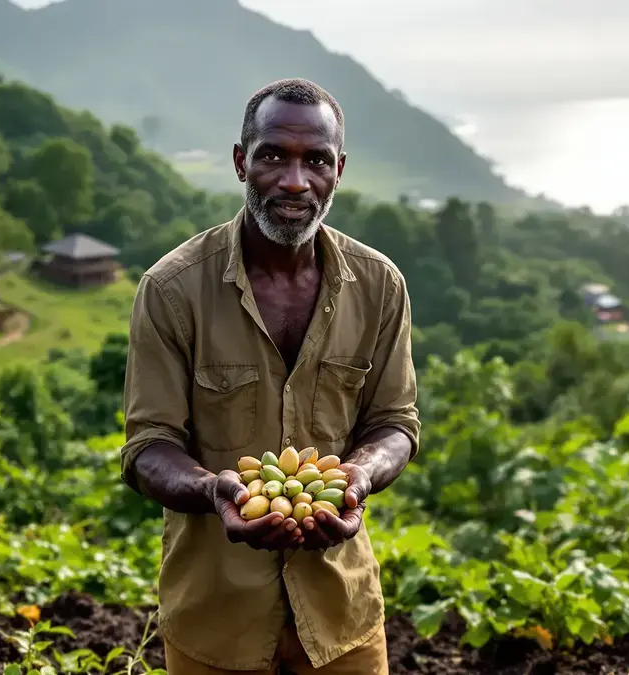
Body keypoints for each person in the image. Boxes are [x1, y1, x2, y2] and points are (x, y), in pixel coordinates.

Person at [119, 77, 420, 675]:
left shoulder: (380, 286)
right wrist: (215, 490)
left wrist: (358, 476)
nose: (293, 181)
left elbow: (396, 424)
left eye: (315, 161)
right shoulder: (172, 289)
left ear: (339, 170)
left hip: (341, 620)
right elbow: (147, 448)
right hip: (215, 621)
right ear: (240, 162)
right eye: (272, 156)